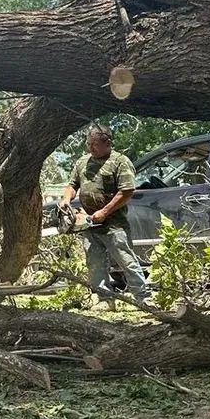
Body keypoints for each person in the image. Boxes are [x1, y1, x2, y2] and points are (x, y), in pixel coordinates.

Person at [60, 125, 149, 302]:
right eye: (88, 143)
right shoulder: (82, 162)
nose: (90, 147)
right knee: (95, 262)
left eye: (95, 144)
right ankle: (104, 299)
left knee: (127, 261)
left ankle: (144, 299)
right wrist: (65, 199)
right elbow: (72, 185)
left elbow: (126, 191)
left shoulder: (120, 162)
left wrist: (105, 211)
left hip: (114, 223)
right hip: (89, 222)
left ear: (107, 143)